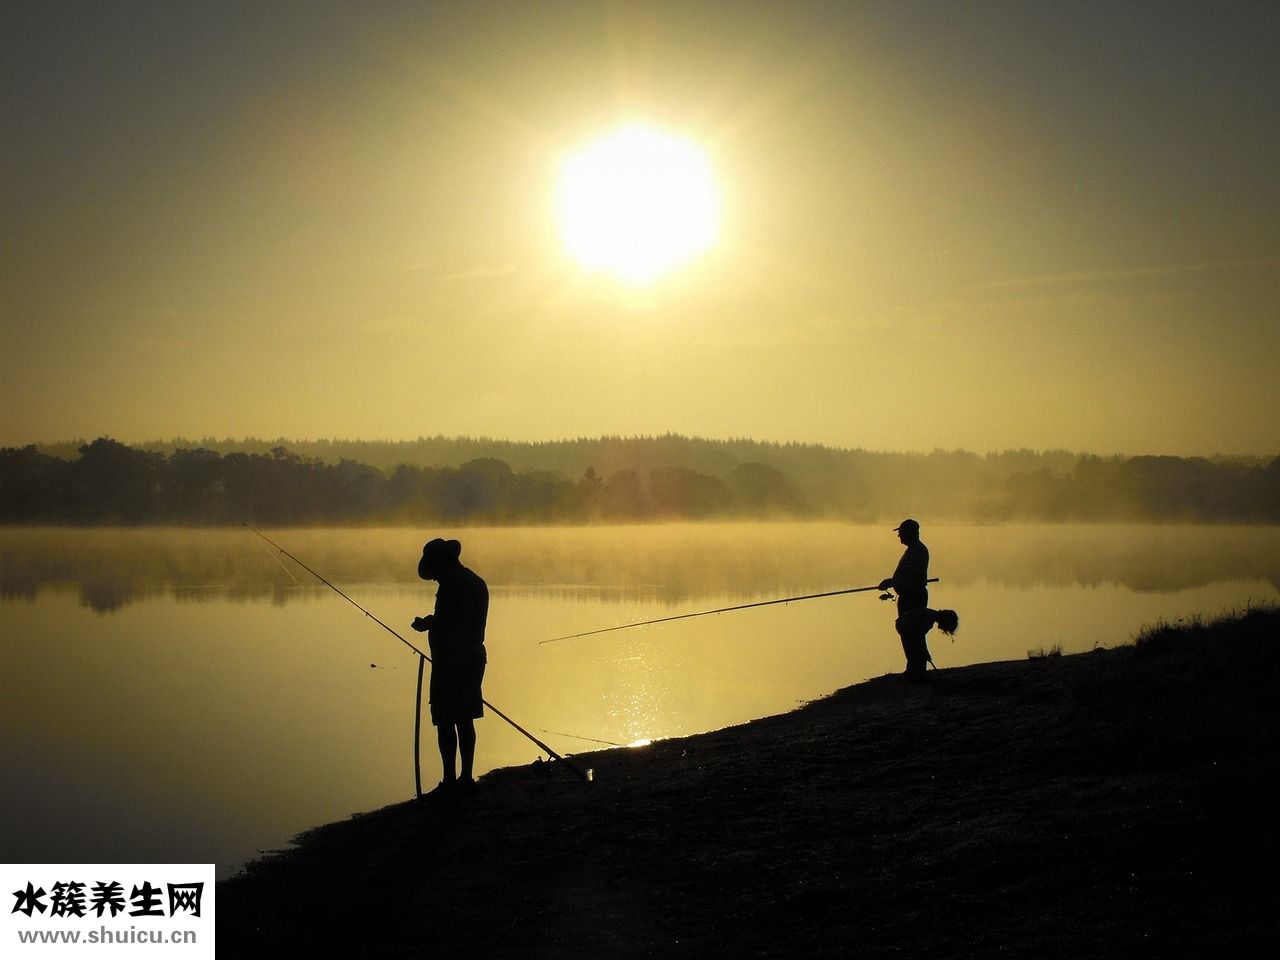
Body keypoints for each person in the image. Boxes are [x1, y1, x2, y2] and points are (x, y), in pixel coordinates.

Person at [411, 538, 488, 798]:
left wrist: (426, 624)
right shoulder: (476, 582)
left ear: (442, 564)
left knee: (445, 719)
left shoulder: (450, 585)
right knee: (464, 718)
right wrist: (434, 622)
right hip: (474, 657)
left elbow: (447, 623)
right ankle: (466, 777)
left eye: (434, 572)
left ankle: (450, 780)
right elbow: (459, 620)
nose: (434, 578)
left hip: (451, 661)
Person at [878, 518, 932, 678]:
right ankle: (914, 667)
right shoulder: (914, 550)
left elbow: (912, 576)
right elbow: (907, 575)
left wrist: (892, 581)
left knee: (912, 631)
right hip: (909, 595)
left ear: (911, 533)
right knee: (909, 631)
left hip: (913, 596)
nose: (899, 536)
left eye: (901, 533)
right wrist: (893, 581)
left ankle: (916, 669)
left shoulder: (917, 551)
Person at [893, 607, 959, 678]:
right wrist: (925, 652)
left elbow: (920, 637)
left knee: (913, 654)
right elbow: (919, 637)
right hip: (906, 626)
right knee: (916, 655)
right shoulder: (929, 619)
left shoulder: (930, 615)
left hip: (902, 624)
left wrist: (924, 651)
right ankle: (914, 675)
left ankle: (912, 673)